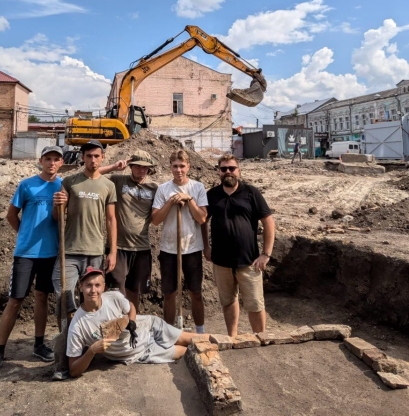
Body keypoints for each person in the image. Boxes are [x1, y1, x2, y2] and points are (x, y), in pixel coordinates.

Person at [0, 146, 64, 377]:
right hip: (26, 253)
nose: (51, 163)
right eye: (48, 159)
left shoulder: (62, 186)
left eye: (56, 159)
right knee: (16, 300)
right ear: (41, 161)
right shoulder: (26, 185)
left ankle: (38, 345)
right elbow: (11, 214)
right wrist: (24, 234)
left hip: (51, 253)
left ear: (60, 163)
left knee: (42, 296)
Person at [67, 267, 201, 377]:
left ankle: (219, 341)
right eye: (88, 285)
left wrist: (131, 321)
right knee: (187, 352)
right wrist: (92, 350)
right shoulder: (78, 325)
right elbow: (73, 370)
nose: (93, 290)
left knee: (193, 339)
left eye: (97, 285)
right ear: (81, 287)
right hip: (140, 352)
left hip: (149, 325)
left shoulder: (113, 297)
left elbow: (130, 306)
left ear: (103, 287)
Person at [203, 153, 275, 337]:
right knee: (227, 301)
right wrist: (206, 246)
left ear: (239, 171)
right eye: (224, 169)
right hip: (221, 261)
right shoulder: (212, 195)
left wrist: (266, 254)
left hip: (249, 260)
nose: (228, 172)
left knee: (255, 304)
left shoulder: (251, 193)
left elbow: (268, 222)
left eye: (232, 168)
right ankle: (232, 338)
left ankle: (260, 338)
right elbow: (203, 221)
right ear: (218, 172)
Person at [52, 140, 117, 324]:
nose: (93, 160)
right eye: (89, 156)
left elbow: (111, 220)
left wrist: (112, 251)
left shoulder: (108, 186)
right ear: (82, 158)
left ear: (103, 158)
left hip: (95, 251)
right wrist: (57, 204)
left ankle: (87, 341)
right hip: (70, 251)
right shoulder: (70, 182)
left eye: (97, 156)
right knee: (64, 296)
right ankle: (66, 338)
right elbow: (58, 217)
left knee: (91, 299)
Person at [152, 150, 208, 333]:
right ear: (170, 167)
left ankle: (200, 331)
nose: (179, 170)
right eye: (175, 166)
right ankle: (169, 332)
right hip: (169, 249)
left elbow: (201, 219)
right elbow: (155, 220)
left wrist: (188, 199)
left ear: (188, 167)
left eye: (182, 166)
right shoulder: (163, 189)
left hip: (191, 248)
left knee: (196, 292)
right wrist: (170, 202)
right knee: (169, 293)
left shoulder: (197, 188)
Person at [100, 151, 158, 311]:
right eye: (137, 166)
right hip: (118, 247)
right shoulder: (118, 181)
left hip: (142, 248)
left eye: (145, 168)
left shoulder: (154, 188)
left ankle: (131, 325)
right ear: (131, 166)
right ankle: (111, 324)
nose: (141, 171)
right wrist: (114, 167)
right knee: (113, 290)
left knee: (134, 291)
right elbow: (92, 174)